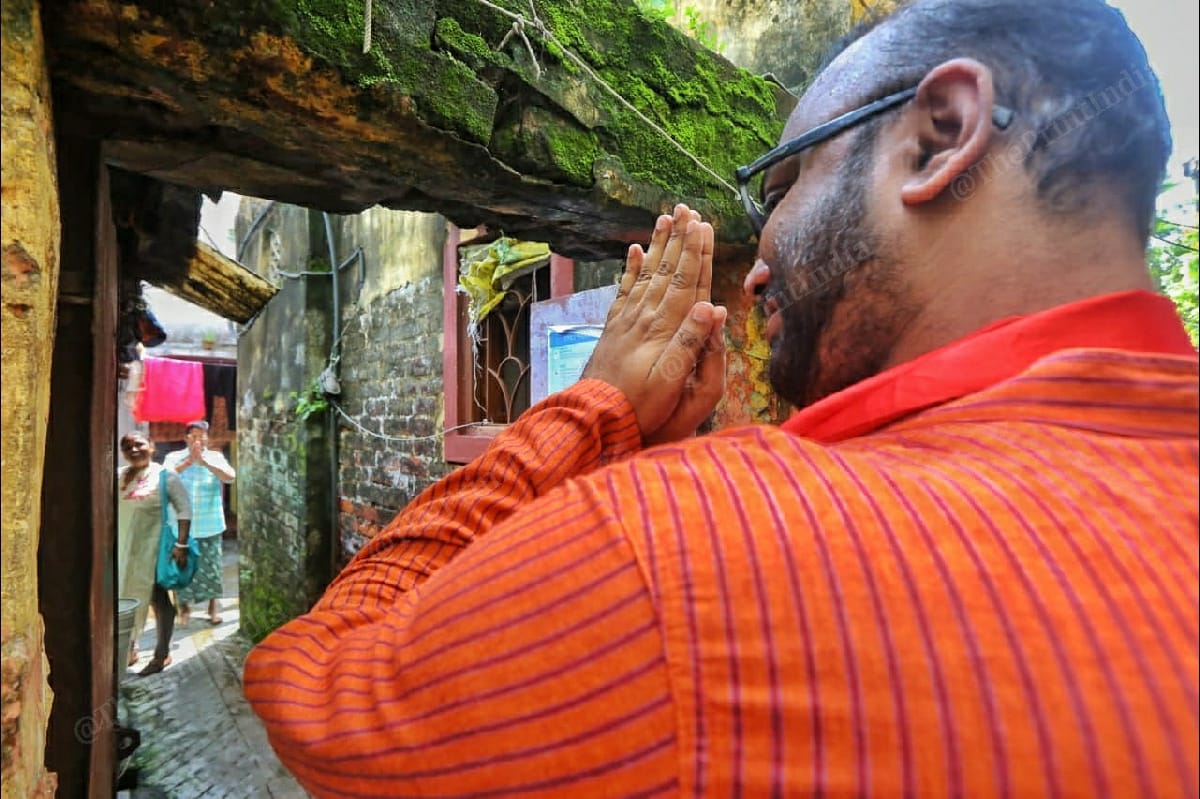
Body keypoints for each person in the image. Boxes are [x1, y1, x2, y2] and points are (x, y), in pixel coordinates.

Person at [243, 0, 1198, 795]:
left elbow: (307, 687)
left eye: (778, 185)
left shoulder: (678, 546)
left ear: (938, 135)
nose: (753, 273)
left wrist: (589, 412)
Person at [117, 432, 192, 677]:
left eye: (139, 444)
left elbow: (184, 510)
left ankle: (161, 655)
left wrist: (181, 546)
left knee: (158, 600)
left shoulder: (165, 476)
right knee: (125, 597)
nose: (133, 449)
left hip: (151, 550)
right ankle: (131, 650)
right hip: (122, 550)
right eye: (127, 446)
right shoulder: (119, 476)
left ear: (151, 446)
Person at [164, 420, 235, 626]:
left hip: (209, 523)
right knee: (181, 567)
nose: (199, 440)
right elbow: (165, 479)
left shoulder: (215, 457)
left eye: (202, 436)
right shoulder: (173, 457)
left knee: (211, 567)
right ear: (186, 438)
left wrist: (205, 463)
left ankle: (214, 608)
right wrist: (189, 462)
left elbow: (230, 477)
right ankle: (184, 609)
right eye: (194, 436)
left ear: (208, 439)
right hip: (180, 526)